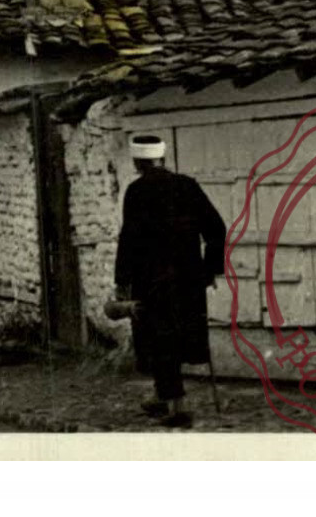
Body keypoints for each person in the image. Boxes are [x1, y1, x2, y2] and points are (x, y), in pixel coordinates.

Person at [114, 134, 226, 429]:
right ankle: (161, 397)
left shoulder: (136, 191)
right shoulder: (187, 186)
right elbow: (216, 228)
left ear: (138, 162)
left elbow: (129, 239)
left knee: (159, 340)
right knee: (177, 337)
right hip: (188, 279)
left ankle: (177, 405)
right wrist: (209, 270)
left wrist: (122, 281)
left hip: (151, 280)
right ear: (162, 158)